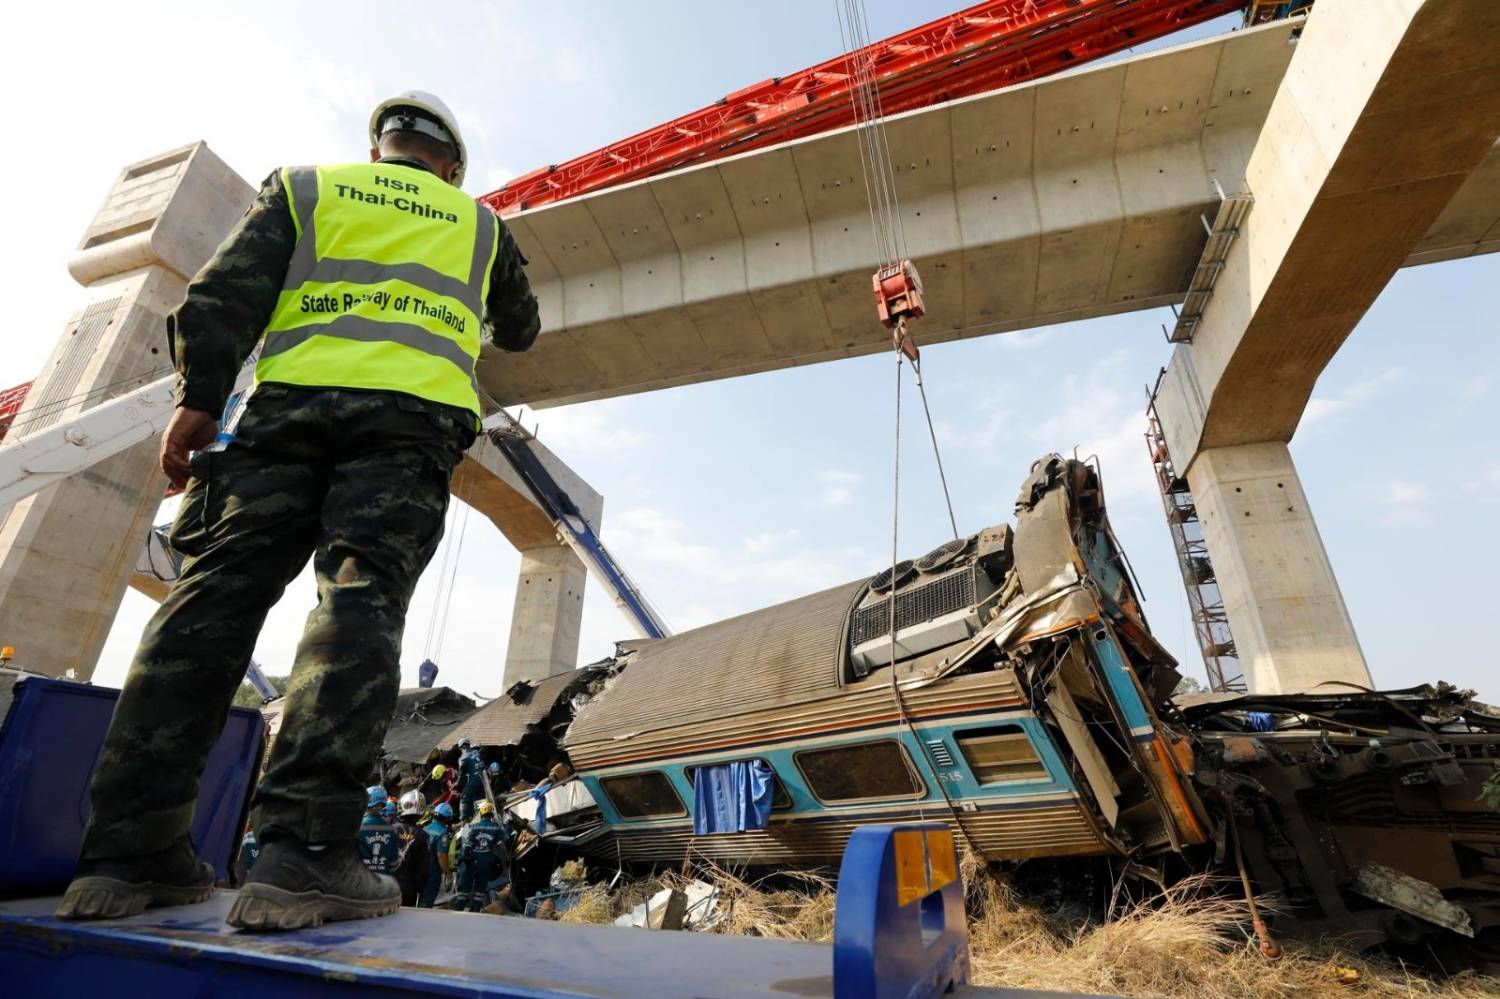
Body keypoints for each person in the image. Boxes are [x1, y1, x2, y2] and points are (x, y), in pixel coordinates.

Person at [55, 90, 540, 931]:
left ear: (379, 148)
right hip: (406, 431)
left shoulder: (308, 188)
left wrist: (199, 399)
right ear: (451, 167)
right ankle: (304, 854)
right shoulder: (481, 227)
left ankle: (127, 854)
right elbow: (522, 329)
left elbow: (219, 296)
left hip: (282, 418)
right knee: (357, 603)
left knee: (209, 601)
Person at [454, 800, 506, 912]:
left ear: (481, 813)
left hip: (472, 862)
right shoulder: (496, 828)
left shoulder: (474, 827)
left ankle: (459, 907)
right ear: (491, 815)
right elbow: (504, 838)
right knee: (480, 888)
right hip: (486, 863)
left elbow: (468, 844)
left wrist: (465, 857)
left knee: (465, 885)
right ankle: (475, 909)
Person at [391, 790, 430, 908]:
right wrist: (420, 889)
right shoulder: (423, 835)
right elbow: (423, 867)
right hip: (408, 889)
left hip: (387, 885)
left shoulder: (389, 829)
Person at [418, 802, 455, 909]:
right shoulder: (442, 833)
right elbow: (441, 856)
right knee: (427, 902)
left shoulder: (424, 829)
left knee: (419, 899)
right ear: (446, 819)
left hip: (420, 871)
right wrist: (448, 873)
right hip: (432, 873)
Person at [356, 785, 400, 876]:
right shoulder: (392, 830)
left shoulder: (356, 828)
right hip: (383, 880)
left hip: (361, 879)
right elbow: (394, 865)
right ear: (383, 805)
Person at [456, 738, 483, 822]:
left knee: (464, 797)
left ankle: (463, 819)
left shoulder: (463, 758)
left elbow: (461, 774)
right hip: (484, 779)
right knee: (478, 798)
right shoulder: (477, 752)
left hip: (474, 779)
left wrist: (457, 784)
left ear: (462, 747)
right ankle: (478, 815)